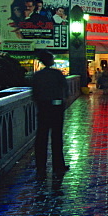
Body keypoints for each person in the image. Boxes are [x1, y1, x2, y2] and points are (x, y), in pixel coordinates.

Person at [30, 51, 69, 181]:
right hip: (56, 108)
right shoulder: (57, 74)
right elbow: (65, 88)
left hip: (43, 108)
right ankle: (58, 165)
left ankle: (40, 167)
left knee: (41, 137)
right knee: (56, 137)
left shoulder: (37, 76)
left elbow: (34, 93)